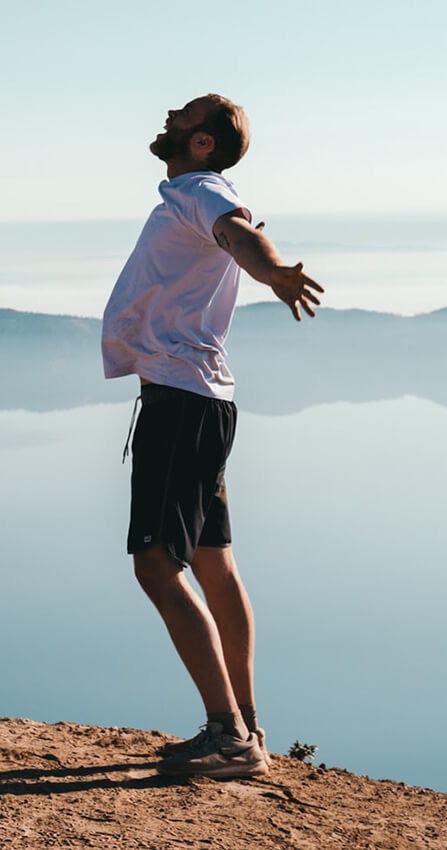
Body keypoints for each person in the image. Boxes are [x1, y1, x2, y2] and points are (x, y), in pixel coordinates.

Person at [101, 93, 323, 778]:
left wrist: (271, 271)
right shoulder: (191, 193)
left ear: (203, 144)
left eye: (184, 115)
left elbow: (240, 234)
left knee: (155, 564)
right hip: (197, 398)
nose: (168, 115)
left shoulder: (203, 191)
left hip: (180, 401)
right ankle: (245, 725)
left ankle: (228, 738)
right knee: (211, 559)